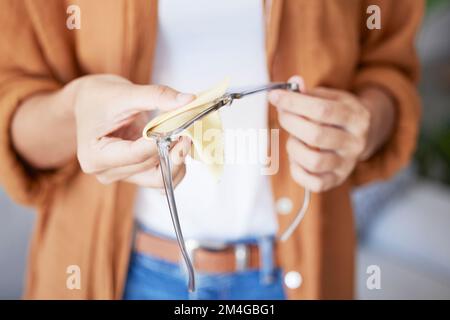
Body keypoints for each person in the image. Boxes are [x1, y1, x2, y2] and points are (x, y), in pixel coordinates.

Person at [0, 0, 423, 299]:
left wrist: (361, 124)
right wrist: (75, 109)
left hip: (303, 271)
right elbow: (15, 104)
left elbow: (389, 68)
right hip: (113, 275)